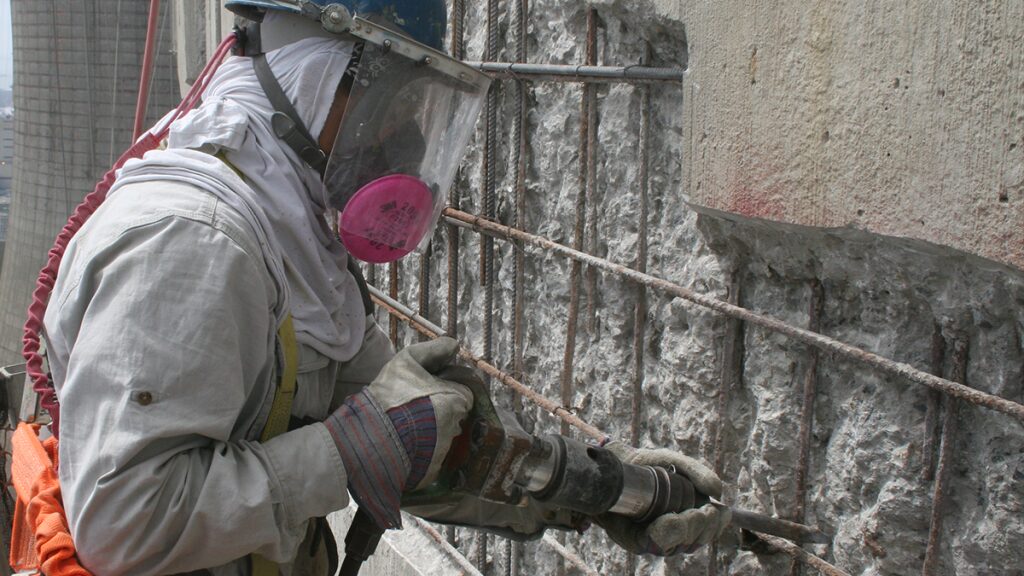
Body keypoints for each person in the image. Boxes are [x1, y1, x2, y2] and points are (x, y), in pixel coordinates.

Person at [40, 1, 729, 574]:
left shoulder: (289, 234)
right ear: (319, 76)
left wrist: (597, 487)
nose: (406, 138)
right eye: (395, 102)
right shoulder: (195, 241)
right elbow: (125, 524)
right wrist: (346, 452)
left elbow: (417, 437)